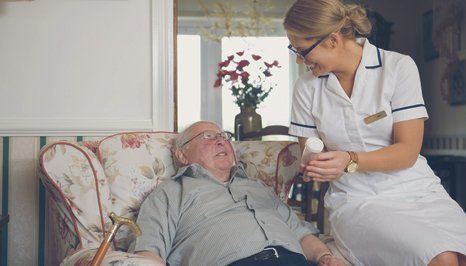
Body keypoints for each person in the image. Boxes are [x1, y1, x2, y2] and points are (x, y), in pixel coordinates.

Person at [283, 0, 466, 265]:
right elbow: (310, 153)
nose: (300, 60)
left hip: (418, 191)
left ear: (333, 40)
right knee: (442, 257)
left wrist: (348, 159)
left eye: (302, 51)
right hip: (357, 201)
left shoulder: (398, 67)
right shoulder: (306, 88)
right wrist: (316, 164)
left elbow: (407, 152)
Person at [133, 121, 346, 266]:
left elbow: (300, 234)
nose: (221, 140)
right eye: (208, 136)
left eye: (223, 136)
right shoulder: (168, 193)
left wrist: (325, 256)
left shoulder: (258, 187)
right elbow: (148, 252)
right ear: (182, 154)